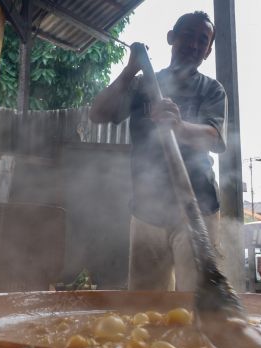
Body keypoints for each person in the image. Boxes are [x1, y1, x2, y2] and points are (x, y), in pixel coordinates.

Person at [90, 11, 227, 292]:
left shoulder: (212, 90)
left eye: (202, 40)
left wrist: (179, 127)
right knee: (145, 304)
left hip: (197, 210)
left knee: (196, 303)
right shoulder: (141, 86)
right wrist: (130, 70)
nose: (193, 45)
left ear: (208, 50)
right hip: (146, 210)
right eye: (187, 35)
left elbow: (214, 137)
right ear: (171, 38)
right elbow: (97, 114)